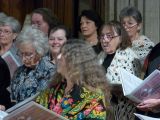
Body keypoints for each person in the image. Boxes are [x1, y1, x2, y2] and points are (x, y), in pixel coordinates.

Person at [36, 39, 111, 120]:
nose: (58, 57)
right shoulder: (56, 87)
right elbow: (36, 110)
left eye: (64, 54)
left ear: (77, 62)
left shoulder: (94, 96)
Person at [99, 21, 141, 120]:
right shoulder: (101, 56)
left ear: (120, 37)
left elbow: (133, 89)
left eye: (109, 36)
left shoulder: (130, 57)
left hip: (121, 112)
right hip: (100, 109)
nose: (104, 40)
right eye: (102, 36)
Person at [11, 26, 55, 103]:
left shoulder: (51, 72)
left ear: (40, 52)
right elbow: (13, 100)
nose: (23, 59)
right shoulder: (18, 72)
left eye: (28, 54)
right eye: (21, 54)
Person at [136, 42, 160, 118]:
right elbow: (146, 77)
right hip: (148, 113)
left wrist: (158, 102)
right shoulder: (156, 49)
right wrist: (136, 96)